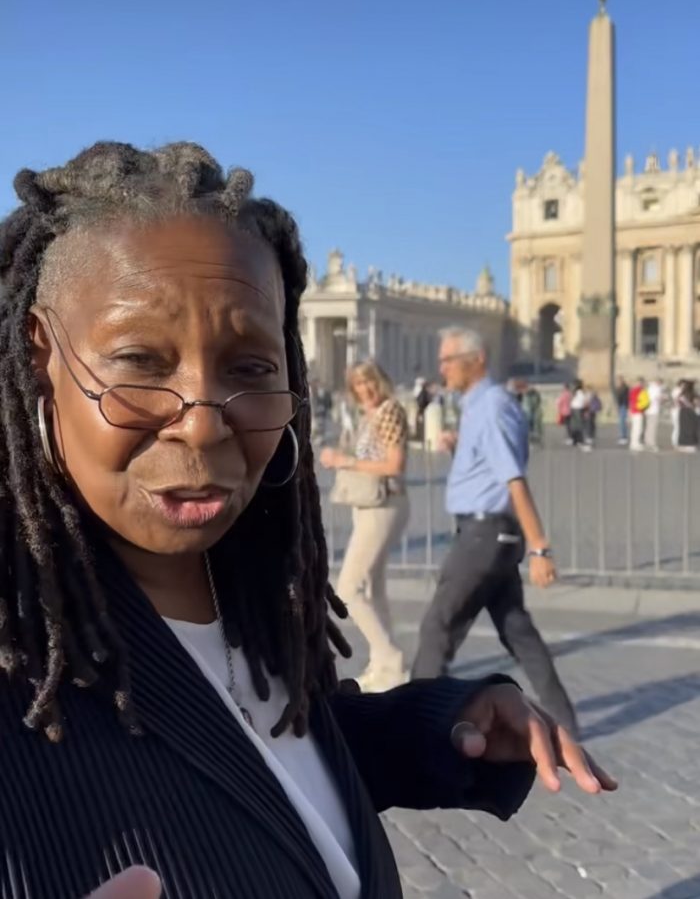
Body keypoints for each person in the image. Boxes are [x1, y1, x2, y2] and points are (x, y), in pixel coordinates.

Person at [0, 144, 616, 897]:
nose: (202, 423)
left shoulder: (247, 589)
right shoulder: (20, 648)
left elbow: (257, 756)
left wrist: (427, 725)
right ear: (39, 359)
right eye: (141, 360)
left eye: (250, 368)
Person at [411, 327, 579, 735]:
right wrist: (459, 448)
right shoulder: (479, 406)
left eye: (449, 360)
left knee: (439, 627)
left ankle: (414, 723)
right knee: (518, 632)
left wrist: (540, 548)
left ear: (477, 360)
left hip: (484, 536)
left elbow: (513, 480)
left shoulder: (490, 406)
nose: (442, 368)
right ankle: (565, 724)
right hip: (492, 535)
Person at [320, 361, 410, 690]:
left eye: (369, 383)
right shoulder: (367, 415)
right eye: (358, 385)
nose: (364, 390)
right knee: (372, 588)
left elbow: (394, 463)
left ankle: (391, 658)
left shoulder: (389, 411)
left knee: (348, 589)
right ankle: (384, 666)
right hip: (368, 504)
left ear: (380, 382)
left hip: (384, 504)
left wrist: (345, 461)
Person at [676, 380, 698, 452]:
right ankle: (690, 444)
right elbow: (696, 402)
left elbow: (678, 401)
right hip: (690, 412)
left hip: (682, 412)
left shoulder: (682, 393)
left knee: (683, 427)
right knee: (691, 427)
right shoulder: (693, 393)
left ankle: (682, 444)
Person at [644, 378, 665, 452]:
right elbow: (658, 399)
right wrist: (663, 398)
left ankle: (647, 442)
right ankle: (652, 444)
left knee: (648, 427)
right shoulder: (657, 389)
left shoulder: (649, 387)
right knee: (653, 428)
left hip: (648, 410)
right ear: (659, 382)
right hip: (654, 410)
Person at [628, 377, 649, 452]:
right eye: (641, 383)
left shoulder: (634, 390)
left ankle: (635, 443)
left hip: (635, 411)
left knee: (636, 428)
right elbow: (636, 401)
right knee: (637, 428)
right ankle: (635, 444)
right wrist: (641, 406)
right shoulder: (638, 390)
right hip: (637, 411)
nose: (642, 384)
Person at [569, 381, 589, 448]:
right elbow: (585, 402)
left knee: (574, 425)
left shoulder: (574, 392)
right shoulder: (581, 393)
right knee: (579, 425)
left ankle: (575, 440)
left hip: (574, 409)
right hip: (578, 409)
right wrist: (586, 410)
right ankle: (579, 440)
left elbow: (571, 401)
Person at [615, 375, 630, 445]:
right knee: (621, 422)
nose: (618, 382)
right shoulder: (620, 388)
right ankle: (623, 437)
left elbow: (622, 398)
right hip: (621, 406)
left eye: (618, 381)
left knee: (622, 422)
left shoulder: (624, 388)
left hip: (623, 406)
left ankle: (623, 437)